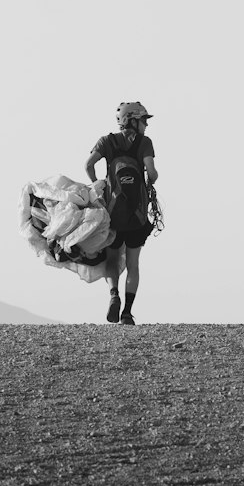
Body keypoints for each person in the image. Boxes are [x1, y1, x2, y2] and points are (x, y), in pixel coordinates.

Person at [85, 101, 159, 325]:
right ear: (133, 120)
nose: (146, 125)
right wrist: (148, 182)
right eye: (144, 120)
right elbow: (153, 173)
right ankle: (127, 312)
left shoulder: (107, 141)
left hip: (113, 213)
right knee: (134, 264)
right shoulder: (145, 143)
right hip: (137, 215)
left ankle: (113, 295)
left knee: (112, 259)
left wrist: (97, 183)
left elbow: (88, 164)